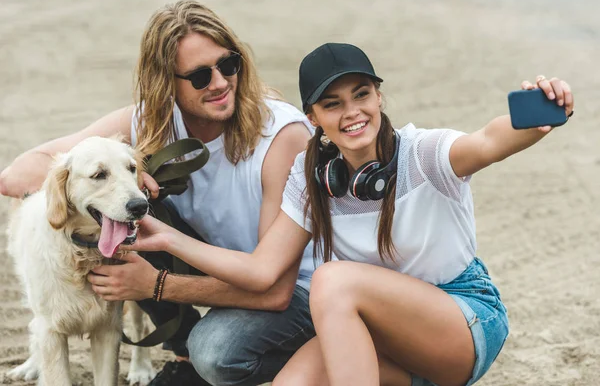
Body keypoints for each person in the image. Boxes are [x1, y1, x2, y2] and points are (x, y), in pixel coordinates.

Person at [119, 42, 575, 386]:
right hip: (385, 343)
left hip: (462, 323)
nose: (352, 112)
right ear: (313, 118)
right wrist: (167, 239)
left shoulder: (424, 154)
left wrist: (538, 116)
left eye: (362, 95)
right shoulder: (312, 175)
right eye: (333, 104)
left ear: (379, 97)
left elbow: (488, 141)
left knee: (332, 279)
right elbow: (262, 272)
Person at [0, 1, 319, 386]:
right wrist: (127, 175)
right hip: (235, 269)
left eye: (228, 65)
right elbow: (17, 175)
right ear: (166, 82)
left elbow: (275, 290)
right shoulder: (150, 121)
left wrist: (153, 285)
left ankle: (317, 358)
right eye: (200, 76)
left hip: (304, 290)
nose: (220, 83)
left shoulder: (283, 137)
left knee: (216, 352)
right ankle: (185, 352)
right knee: (128, 209)